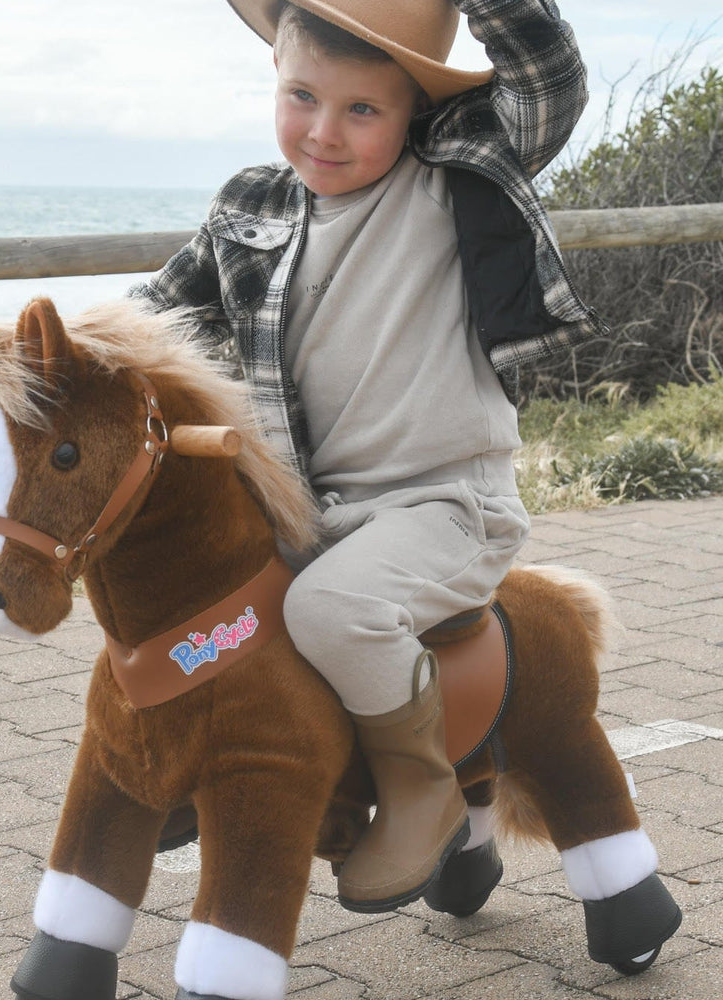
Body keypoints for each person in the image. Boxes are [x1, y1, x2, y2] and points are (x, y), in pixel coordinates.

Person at [131, 0, 601, 912]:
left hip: (448, 506)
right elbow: (155, 318)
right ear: (275, 79)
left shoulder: (457, 173)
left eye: (363, 110)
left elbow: (550, 78)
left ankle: (423, 790)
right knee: (203, 586)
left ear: (413, 111)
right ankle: (188, 764)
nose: (324, 132)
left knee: (330, 607)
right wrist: (46, 363)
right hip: (320, 510)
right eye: (303, 95)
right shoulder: (247, 206)